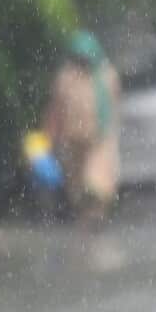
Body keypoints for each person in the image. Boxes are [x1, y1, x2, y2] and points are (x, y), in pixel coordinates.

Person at [42, 30, 121, 224]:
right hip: (72, 137)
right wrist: (50, 135)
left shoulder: (106, 75)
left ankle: (96, 213)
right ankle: (85, 216)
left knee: (95, 180)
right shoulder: (65, 77)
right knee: (76, 182)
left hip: (99, 138)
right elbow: (56, 107)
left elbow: (114, 105)